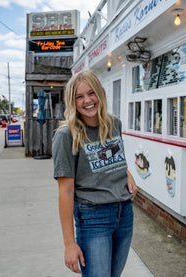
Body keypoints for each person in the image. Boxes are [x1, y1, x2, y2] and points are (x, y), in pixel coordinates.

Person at [52, 70, 138, 276]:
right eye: (79, 97)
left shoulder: (113, 123)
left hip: (124, 213)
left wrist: (126, 172)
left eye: (91, 93)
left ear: (100, 93)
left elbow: (110, 157)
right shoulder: (66, 135)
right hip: (93, 218)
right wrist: (69, 243)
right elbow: (65, 191)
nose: (87, 100)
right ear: (72, 102)